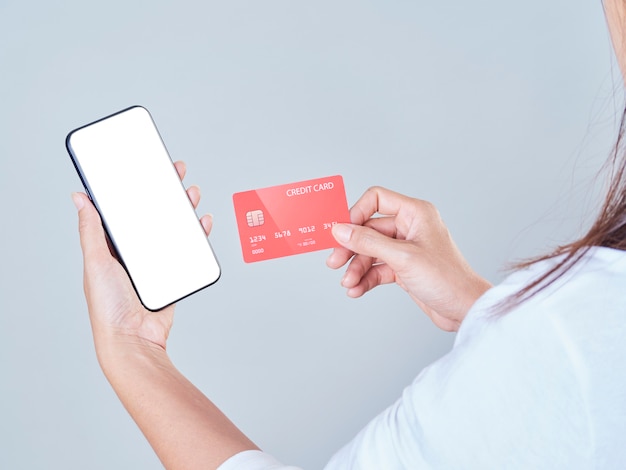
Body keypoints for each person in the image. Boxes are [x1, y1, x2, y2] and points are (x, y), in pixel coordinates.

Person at [71, 2, 626, 468]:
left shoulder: (573, 330)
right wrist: (481, 310)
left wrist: (131, 349)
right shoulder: (572, 328)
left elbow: (575, 373)